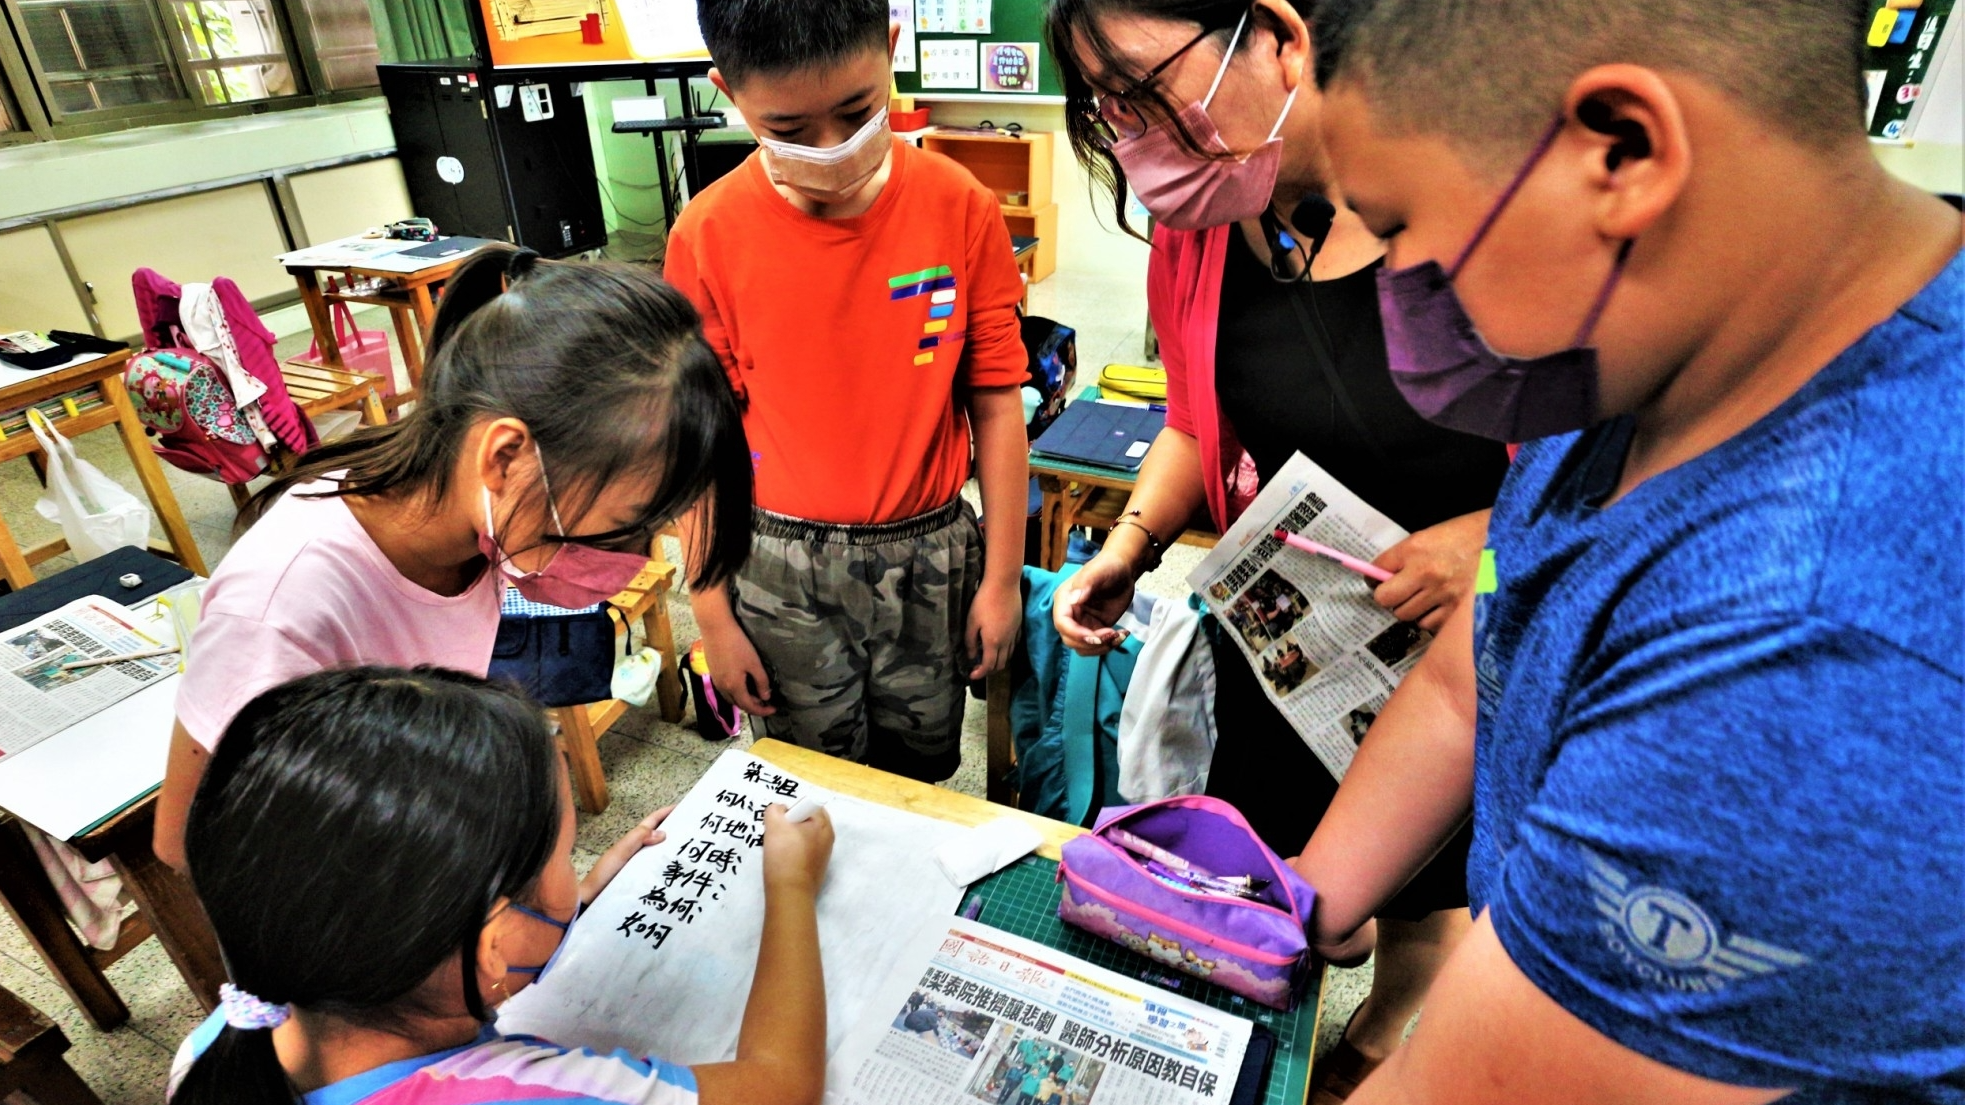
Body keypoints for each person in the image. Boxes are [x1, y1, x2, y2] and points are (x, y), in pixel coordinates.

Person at [1290, 1, 1965, 1102]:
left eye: (1401, 227)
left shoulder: (1809, 641)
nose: (1396, 287)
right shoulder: (1644, 351)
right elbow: (1487, 648)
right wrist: (1290, 909)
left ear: (1622, 150)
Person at [1042, 0, 1507, 1094]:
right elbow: (1198, 421)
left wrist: (1483, 556)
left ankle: (1387, 1026)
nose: (1133, 135)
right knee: (1284, 869)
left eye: (1149, 94)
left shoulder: (1478, 210)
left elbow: (1606, 491)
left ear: (1282, 38)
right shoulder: (1206, 212)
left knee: (1428, 888)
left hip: (1467, 629)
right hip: (1297, 623)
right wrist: (1133, 541)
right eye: (1107, 108)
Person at [151, 246, 753, 871]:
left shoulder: (473, 528)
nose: (630, 561)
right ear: (505, 457)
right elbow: (190, 842)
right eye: (626, 528)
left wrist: (565, 897)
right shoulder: (283, 603)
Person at [167, 665, 835, 1104]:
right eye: (567, 856)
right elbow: (779, 1086)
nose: (573, 875)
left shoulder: (224, 1040)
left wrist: (588, 895)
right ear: (492, 943)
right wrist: (790, 883)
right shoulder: (523, 1091)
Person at [666, 0, 1029, 783]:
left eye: (859, 111)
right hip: (776, 561)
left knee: (916, 780)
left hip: (929, 551)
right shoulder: (707, 234)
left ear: (890, 50)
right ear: (725, 90)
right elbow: (700, 443)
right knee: (803, 788)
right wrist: (710, 610)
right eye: (789, 130)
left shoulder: (959, 206)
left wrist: (1000, 580)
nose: (831, 150)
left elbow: (998, 404)